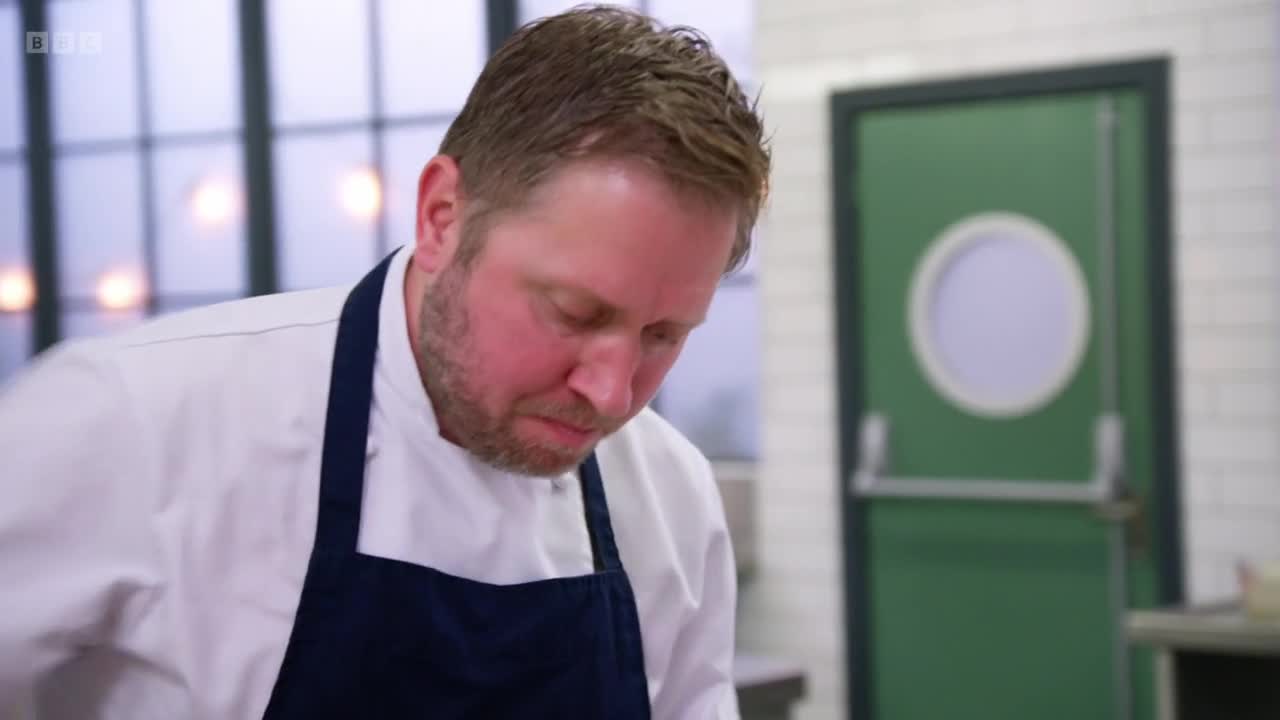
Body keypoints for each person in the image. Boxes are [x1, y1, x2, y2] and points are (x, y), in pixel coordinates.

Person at [0, 6, 770, 720]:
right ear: (441, 217)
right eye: (575, 312)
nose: (610, 394)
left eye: (664, 335)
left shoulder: (670, 497)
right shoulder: (129, 422)